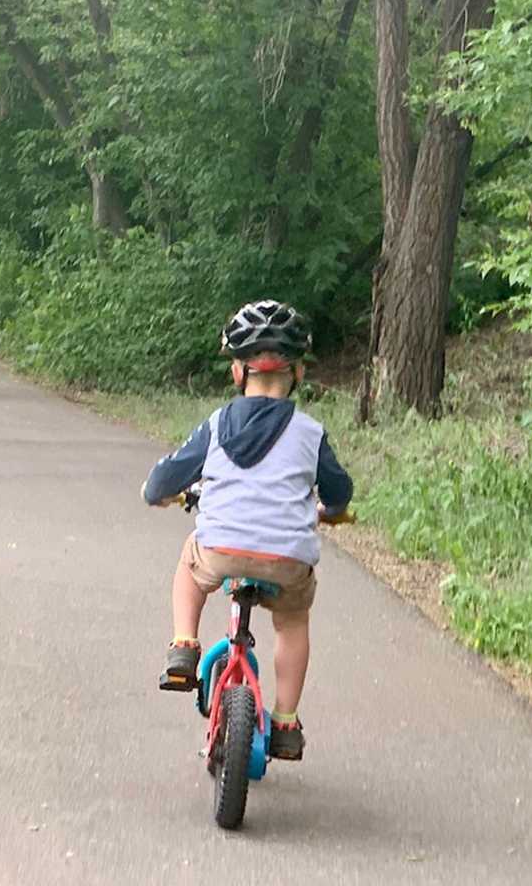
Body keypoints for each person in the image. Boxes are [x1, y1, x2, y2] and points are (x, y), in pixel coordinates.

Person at [140, 299, 353, 761]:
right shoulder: (310, 433)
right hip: (287, 560)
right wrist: (331, 508)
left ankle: (184, 646)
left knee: (190, 563)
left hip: (221, 548)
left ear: (238, 373)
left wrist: (158, 494)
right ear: (297, 374)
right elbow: (339, 489)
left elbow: (163, 480)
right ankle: (285, 721)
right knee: (292, 621)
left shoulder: (217, 425)